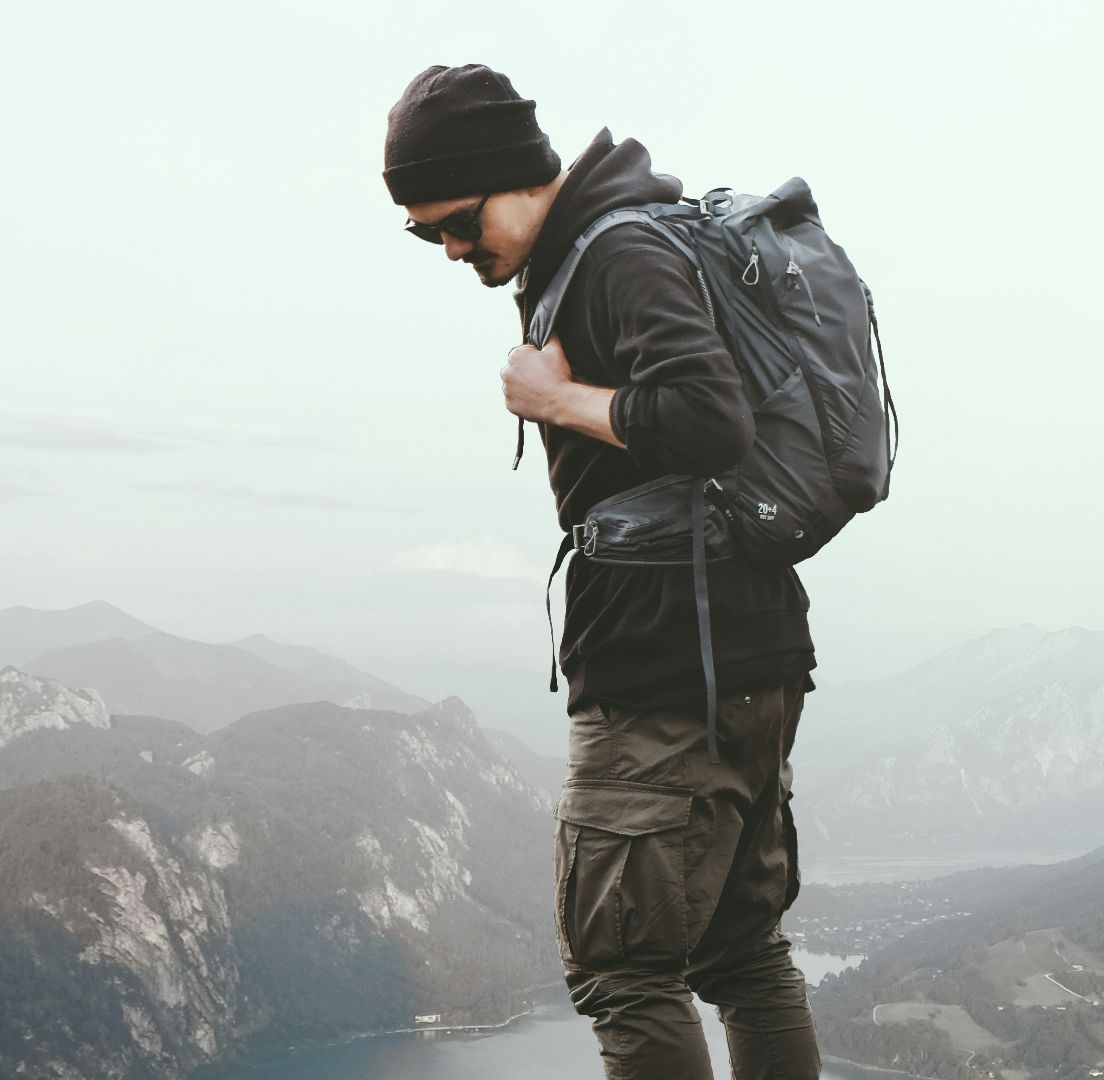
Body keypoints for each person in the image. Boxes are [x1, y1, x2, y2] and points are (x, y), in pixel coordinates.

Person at [382, 64, 822, 1080]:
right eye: (425, 235)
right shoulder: (627, 239)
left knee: (623, 969)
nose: (451, 250)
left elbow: (712, 419)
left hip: (665, 668)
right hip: (744, 651)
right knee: (743, 953)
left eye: (457, 223)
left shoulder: (616, 252)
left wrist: (557, 401)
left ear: (512, 173)